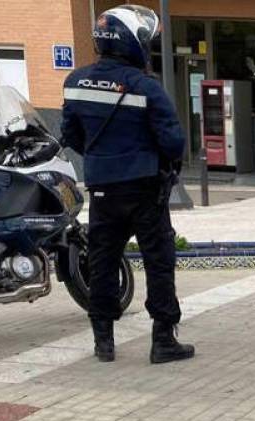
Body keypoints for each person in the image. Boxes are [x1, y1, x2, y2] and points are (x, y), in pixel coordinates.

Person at [61, 5, 194, 364]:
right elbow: (173, 141)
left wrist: (103, 154)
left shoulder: (75, 82)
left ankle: (103, 340)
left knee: (103, 260)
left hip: (103, 187)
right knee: (158, 261)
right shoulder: (145, 86)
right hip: (146, 188)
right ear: (132, 42)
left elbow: (71, 135)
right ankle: (163, 339)